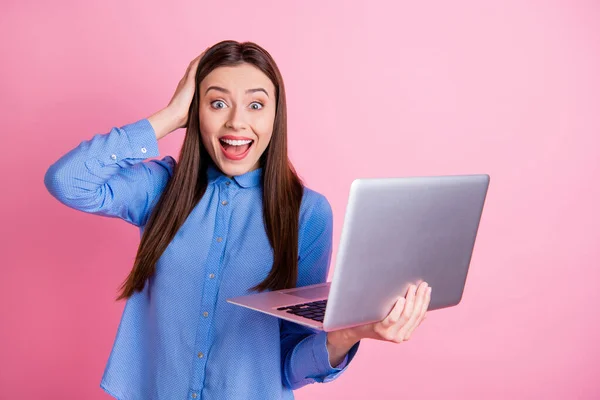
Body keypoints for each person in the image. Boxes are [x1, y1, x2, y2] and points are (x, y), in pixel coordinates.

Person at [44, 40, 432, 400]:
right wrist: (169, 116)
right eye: (217, 104)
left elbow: (287, 362)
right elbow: (68, 180)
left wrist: (350, 332)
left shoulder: (307, 214)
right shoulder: (159, 188)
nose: (236, 123)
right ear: (196, 112)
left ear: (276, 116)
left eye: (256, 105)